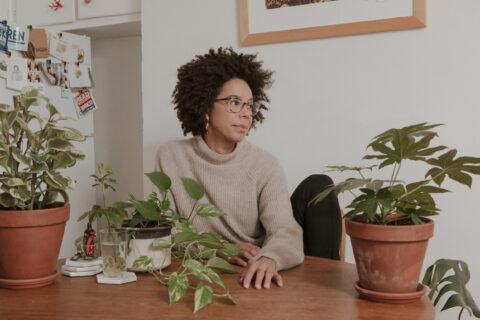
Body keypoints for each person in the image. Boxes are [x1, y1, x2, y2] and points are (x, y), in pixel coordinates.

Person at [154, 48, 341, 290]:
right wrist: (220, 249)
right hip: (206, 271)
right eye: (234, 103)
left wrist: (269, 257)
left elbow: (285, 229)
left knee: (319, 184)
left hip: (256, 270)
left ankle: (325, 297)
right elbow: (162, 231)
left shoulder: (265, 164)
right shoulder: (170, 156)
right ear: (205, 108)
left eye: (250, 106)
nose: (245, 114)